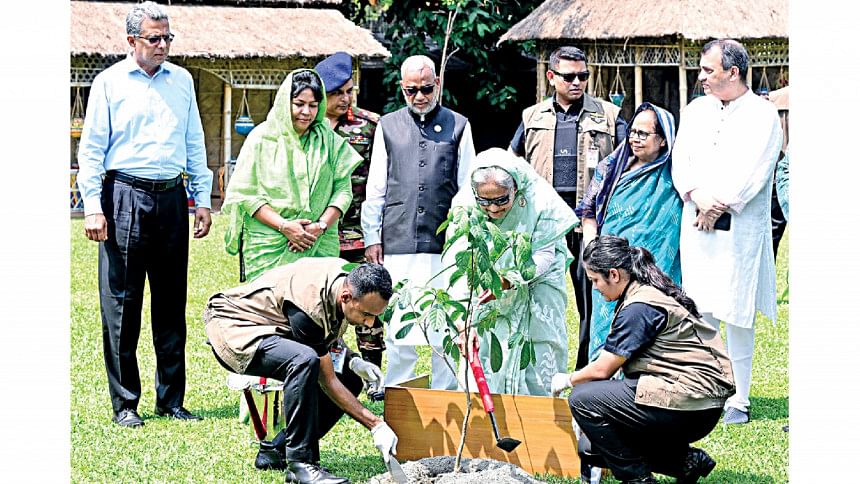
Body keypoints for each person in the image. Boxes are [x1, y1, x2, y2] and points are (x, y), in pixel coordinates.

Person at [76, 1, 212, 428]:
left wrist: (202, 199)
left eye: (167, 38)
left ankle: (171, 400)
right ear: (131, 40)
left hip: (171, 198)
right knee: (122, 303)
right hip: (123, 197)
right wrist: (93, 207)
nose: (162, 46)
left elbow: (194, 142)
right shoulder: (109, 83)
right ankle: (125, 403)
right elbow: (91, 150)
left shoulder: (182, 81)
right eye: (154, 38)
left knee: (171, 303)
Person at [551, 236, 735, 484]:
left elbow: (602, 370)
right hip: (697, 403)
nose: (594, 287)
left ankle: (638, 480)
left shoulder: (640, 307)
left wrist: (567, 380)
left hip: (690, 405)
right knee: (591, 447)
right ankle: (686, 461)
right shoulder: (644, 292)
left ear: (614, 275)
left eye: (595, 280)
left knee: (582, 399)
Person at [204, 259, 399, 484]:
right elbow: (327, 379)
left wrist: (354, 361)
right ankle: (301, 465)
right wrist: (376, 425)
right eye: (366, 314)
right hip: (235, 327)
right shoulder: (309, 303)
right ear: (346, 297)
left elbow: (324, 335)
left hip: (273, 326)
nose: (370, 323)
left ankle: (275, 451)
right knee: (303, 361)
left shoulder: (346, 282)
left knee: (349, 377)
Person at [671, 39, 783, 425]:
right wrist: (697, 197)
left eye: (708, 70)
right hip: (696, 222)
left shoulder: (763, 115)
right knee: (700, 307)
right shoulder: (695, 110)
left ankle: (740, 397)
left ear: (732, 72)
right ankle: (706, 389)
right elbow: (681, 161)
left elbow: (756, 170)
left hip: (740, 228)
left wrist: (717, 205)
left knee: (737, 309)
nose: (701, 77)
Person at [361, 54, 476, 390]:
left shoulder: (459, 125)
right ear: (402, 88)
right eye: (412, 90)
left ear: (437, 84)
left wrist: (466, 238)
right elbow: (376, 187)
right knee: (400, 327)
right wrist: (372, 237)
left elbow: (468, 187)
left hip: (445, 243)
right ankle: (400, 398)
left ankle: (445, 396)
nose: (420, 96)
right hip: (398, 239)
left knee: (446, 325)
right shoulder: (388, 126)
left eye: (426, 88)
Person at [510, 45, 627, 371]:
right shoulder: (531, 117)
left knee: (593, 302)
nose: (577, 82)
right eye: (569, 76)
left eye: (583, 76)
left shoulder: (609, 115)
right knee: (535, 296)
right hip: (544, 226)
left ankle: (587, 369)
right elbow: (512, 161)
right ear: (551, 76)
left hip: (589, 226)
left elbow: (628, 161)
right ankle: (532, 368)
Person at [448, 148, 576, 396]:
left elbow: (544, 255)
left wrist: (510, 280)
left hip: (538, 280)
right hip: (488, 283)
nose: (493, 209)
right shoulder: (465, 206)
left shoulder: (541, 199)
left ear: (515, 189)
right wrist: (463, 320)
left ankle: (538, 409)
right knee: (486, 339)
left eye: (501, 200)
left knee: (539, 342)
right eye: (484, 201)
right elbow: (460, 265)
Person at [221, 68, 363, 283]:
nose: (306, 112)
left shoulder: (330, 140)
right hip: (269, 245)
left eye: (313, 105)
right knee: (268, 300)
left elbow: (343, 191)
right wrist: (284, 226)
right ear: (284, 103)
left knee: (314, 301)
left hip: (319, 242)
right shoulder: (261, 138)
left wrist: (320, 226)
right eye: (299, 104)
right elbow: (247, 195)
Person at [576, 103, 681, 362]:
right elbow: (588, 212)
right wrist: (593, 250)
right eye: (632, 132)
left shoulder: (677, 175)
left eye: (643, 134)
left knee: (648, 320)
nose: (634, 138)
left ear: (663, 140)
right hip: (609, 267)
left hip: (657, 267)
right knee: (607, 326)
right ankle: (603, 380)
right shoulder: (612, 167)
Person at [315, 52, 386, 368]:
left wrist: (376, 234)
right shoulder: (309, 125)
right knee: (324, 306)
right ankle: (328, 370)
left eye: (349, 91)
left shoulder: (370, 126)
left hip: (357, 232)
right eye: (337, 93)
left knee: (367, 304)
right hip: (318, 235)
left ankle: (373, 374)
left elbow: (383, 182)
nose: (345, 99)